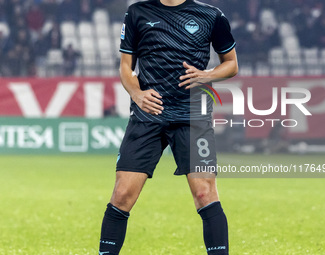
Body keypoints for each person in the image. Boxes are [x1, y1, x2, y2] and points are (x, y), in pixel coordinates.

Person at [99, 0, 238, 254]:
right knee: (122, 195)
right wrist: (137, 94)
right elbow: (126, 67)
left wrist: (207, 75)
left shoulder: (211, 15)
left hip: (192, 114)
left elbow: (231, 64)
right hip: (148, 114)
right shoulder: (137, 12)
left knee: (205, 194)